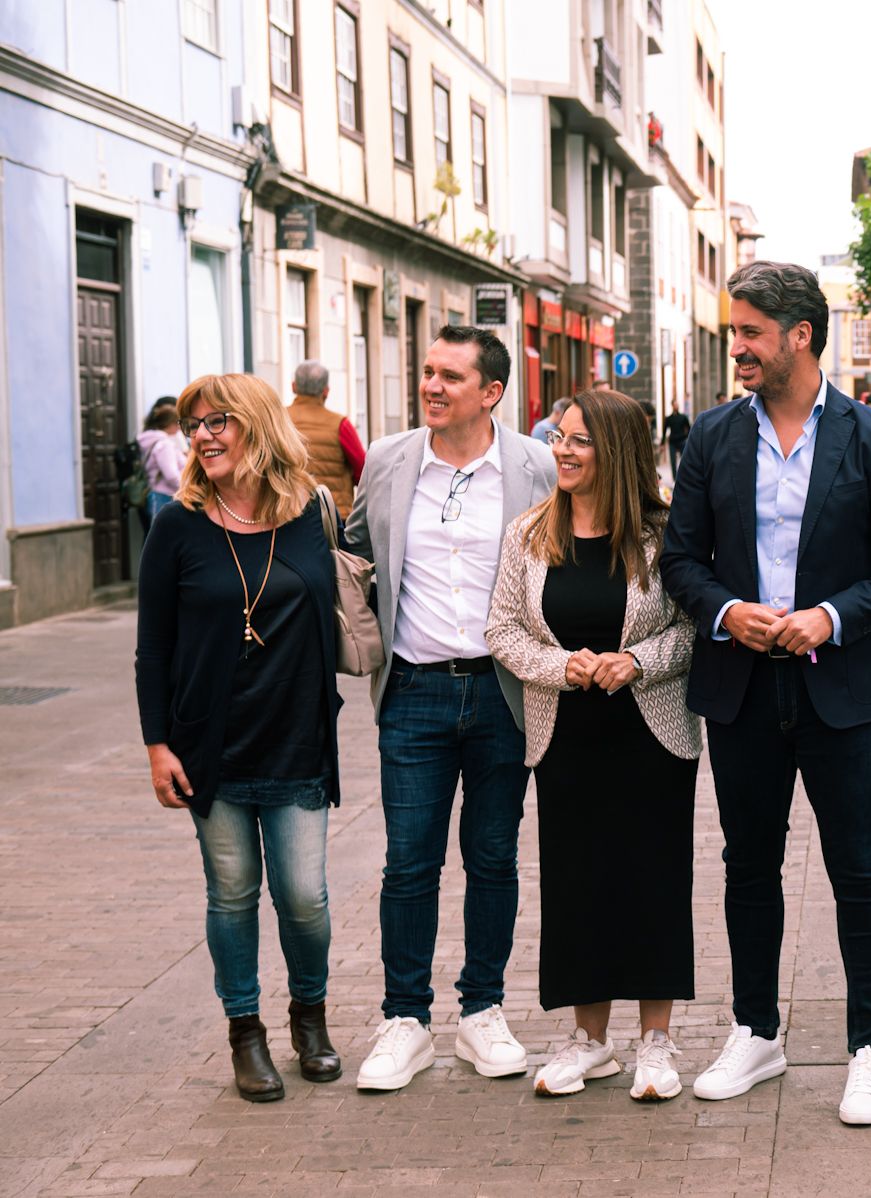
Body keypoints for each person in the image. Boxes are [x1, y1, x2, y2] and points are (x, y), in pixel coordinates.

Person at [660, 261, 871, 1126]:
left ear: (799, 335)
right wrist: (727, 610)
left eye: (748, 332)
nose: (735, 346)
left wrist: (830, 616)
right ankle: (756, 1032)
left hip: (843, 688)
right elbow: (679, 560)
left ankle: (870, 1049)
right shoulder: (710, 438)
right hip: (740, 687)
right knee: (748, 868)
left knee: (860, 872)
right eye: (733, 332)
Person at [344, 326, 556, 1091]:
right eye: (427, 372)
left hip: (506, 688)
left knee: (493, 856)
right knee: (409, 861)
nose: (431, 386)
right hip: (414, 690)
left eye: (450, 377)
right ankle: (405, 1019)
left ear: (491, 392)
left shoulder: (536, 466)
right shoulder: (390, 461)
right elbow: (359, 551)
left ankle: (481, 1011)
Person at [486, 386, 702, 1101]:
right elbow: (502, 630)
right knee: (577, 884)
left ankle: (657, 1041)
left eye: (580, 439)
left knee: (653, 880)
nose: (563, 449)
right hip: (566, 734)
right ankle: (589, 1040)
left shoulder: (665, 534)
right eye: (558, 436)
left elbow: (692, 630)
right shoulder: (528, 533)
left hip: (651, 732)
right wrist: (562, 666)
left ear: (615, 449)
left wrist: (636, 662)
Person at [135, 373, 345, 1102]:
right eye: (195, 424)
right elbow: (152, 647)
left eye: (219, 420)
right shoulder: (178, 527)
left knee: (305, 899)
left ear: (257, 424)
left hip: (297, 741)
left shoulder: (312, 515)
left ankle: (309, 1017)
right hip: (209, 749)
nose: (204, 435)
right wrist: (156, 744)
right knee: (231, 895)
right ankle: (245, 1031)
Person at [285, 361, 366, 514]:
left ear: (293, 386)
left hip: (289, 513)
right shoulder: (341, 425)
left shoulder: (279, 420)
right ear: (326, 391)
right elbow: (363, 472)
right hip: (333, 515)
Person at [138, 401, 186, 523]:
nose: (180, 427)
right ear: (170, 424)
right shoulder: (164, 445)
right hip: (164, 495)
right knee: (163, 537)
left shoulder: (151, 440)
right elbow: (171, 475)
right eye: (178, 423)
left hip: (157, 493)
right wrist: (187, 489)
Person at [663, 405, 692, 479]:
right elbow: (664, 431)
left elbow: (689, 428)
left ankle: (683, 477)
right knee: (673, 461)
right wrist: (662, 443)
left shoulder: (683, 417)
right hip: (672, 442)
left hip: (682, 440)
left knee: (684, 460)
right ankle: (674, 478)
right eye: (675, 405)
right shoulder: (669, 418)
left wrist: (687, 438)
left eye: (677, 405)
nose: (676, 406)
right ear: (672, 406)